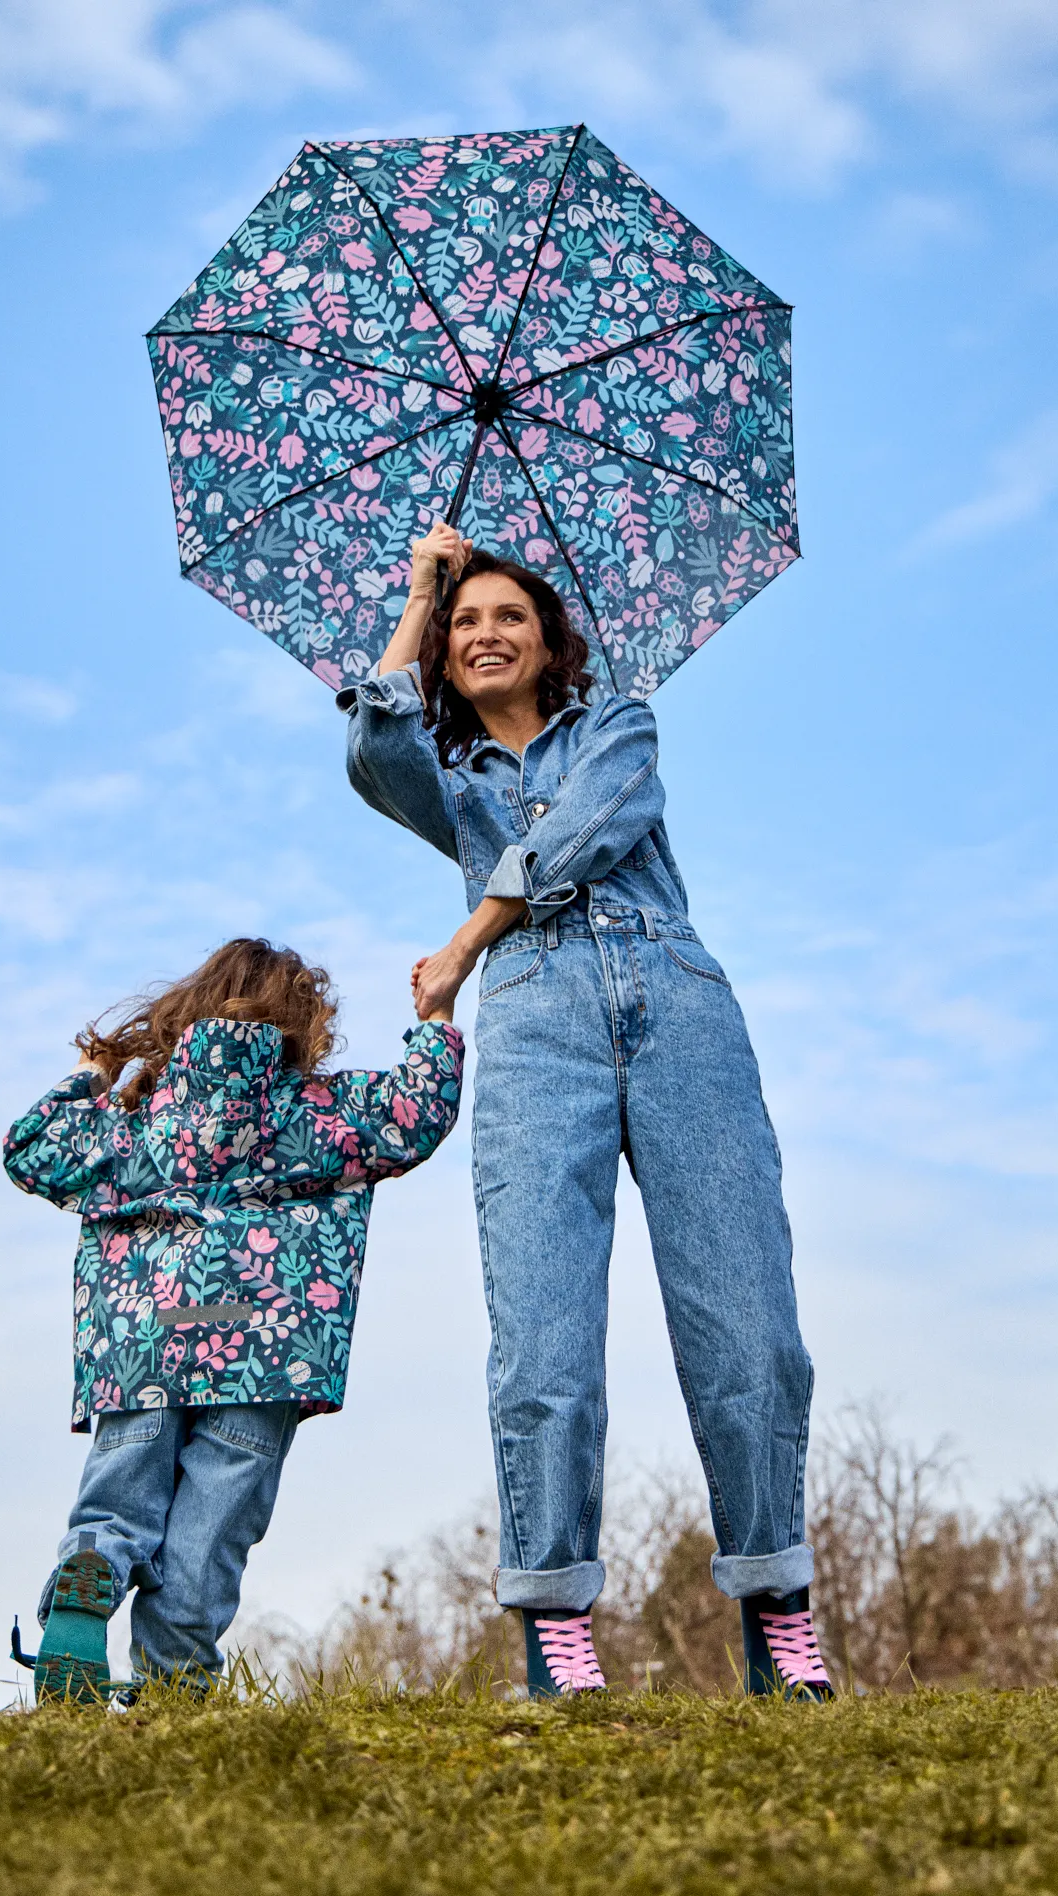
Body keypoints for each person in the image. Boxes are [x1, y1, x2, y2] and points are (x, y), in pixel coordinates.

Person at [337, 525, 832, 1702]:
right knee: (544, 1332)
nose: (484, 633)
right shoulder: (447, 785)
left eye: (508, 617)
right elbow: (369, 747)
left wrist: (465, 936)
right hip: (535, 1032)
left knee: (747, 1315)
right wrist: (420, 587)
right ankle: (556, 1622)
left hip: (679, 1007)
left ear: (552, 643)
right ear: (447, 658)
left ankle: (779, 1611)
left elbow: (585, 834)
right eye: (465, 627)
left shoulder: (621, 724)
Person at [3, 936, 464, 1703]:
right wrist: (437, 1015)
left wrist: (90, 1081)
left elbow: (30, 1150)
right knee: (211, 1533)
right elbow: (416, 1113)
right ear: (301, 1025)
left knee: (120, 1500)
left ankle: (93, 1567)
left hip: (145, 1345)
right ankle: (177, 1687)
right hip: (264, 1350)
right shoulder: (315, 1112)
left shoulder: (142, 1118)